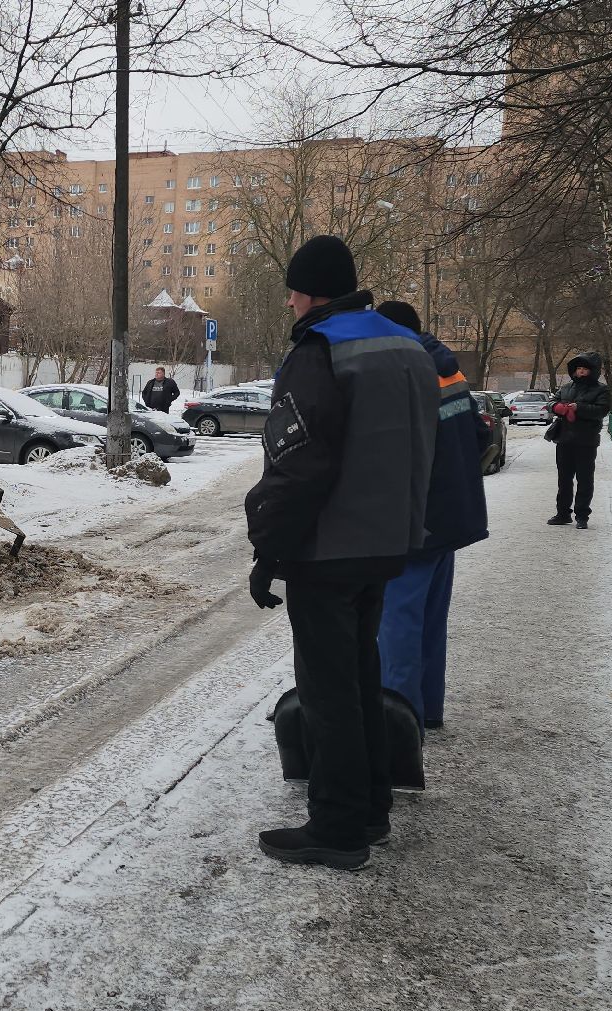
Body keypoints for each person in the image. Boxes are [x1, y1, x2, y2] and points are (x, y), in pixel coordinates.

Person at [245, 235, 438, 871]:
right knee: (358, 676)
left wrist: (268, 546)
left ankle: (337, 826)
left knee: (328, 690)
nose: (291, 303)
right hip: (389, 541)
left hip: (327, 547)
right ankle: (370, 807)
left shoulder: (320, 348)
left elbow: (298, 462)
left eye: (293, 292)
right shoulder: (405, 346)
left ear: (310, 292)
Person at [373, 300, 489, 733]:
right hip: (451, 518)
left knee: (398, 625)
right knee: (429, 620)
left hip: (416, 522)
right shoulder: (448, 368)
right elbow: (478, 435)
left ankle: (399, 727)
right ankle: (428, 708)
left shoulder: (407, 371)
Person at [545, 352, 611, 529]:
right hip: (564, 440)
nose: (581, 372)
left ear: (593, 371)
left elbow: (601, 410)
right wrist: (557, 407)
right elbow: (552, 401)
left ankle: (582, 516)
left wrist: (579, 408)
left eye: (584, 369)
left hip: (586, 441)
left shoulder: (601, 389)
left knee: (585, 479)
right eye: (578, 368)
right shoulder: (566, 387)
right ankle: (563, 513)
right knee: (564, 479)